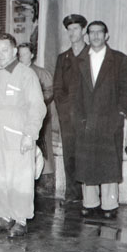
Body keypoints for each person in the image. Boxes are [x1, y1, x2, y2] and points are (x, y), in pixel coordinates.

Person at [0, 33, 46, 237]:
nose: (0, 54)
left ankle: (20, 220)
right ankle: (3, 216)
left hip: (19, 137)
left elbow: (37, 107)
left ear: (14, 51)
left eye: (4, 50)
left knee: (20, 179)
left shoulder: (26, 75)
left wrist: (30, 134)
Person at [73, 20, 127, 219]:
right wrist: (77, 117)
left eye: (99, 32)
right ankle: (90, 203)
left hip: (110, 120)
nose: (96, 36)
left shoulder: (119, 59)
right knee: (87, 162)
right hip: (86, 121)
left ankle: (110, 204)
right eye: (91, 32)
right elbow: (74, 93)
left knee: (108, 162)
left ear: (106, 35)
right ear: (87, 36)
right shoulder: (80, 60)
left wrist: (121, 113)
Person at [53, 14, 88, 206]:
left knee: (89, 155)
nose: (72, 33)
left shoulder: (93, 55)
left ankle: (91, 197)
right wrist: (64, 112)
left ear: (83, 31)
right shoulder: (63, 58)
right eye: (69, 29)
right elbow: (57, 88)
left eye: (75, 29)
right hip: (68, 118)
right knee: (70, 155)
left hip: (88, 116)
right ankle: (73, 194)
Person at [18, 42, 55, 192]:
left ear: (32, 55)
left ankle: (45, 181)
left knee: (43, 147)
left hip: (39, 117)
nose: (22, 57)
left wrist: (35, 102)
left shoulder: (41, 73)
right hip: (21, 117)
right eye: (19, 54)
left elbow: (50, 91)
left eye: (25, 54)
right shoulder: (16, 73)